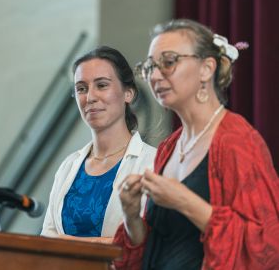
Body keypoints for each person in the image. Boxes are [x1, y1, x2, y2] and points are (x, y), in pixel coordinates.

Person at [114, 19, 279, 269]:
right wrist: (131, 215)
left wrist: (184, 201)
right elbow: (161, 245)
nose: (155, 75)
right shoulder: (169, 147)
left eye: (168, 62)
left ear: (206, 68)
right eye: (149, 67)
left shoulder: (237, 140)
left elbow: (265, 247)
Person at [41, 46, 156, 243]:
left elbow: (145, 245)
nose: (90, 97)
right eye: (81, 88)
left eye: (102, 85)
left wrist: (68, 243)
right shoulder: (68, 166)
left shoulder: (153, 163)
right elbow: (46, 240)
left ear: (128, 93)